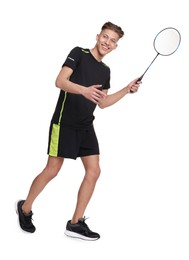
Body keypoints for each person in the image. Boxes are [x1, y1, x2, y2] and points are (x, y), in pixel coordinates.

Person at [16, 21, 141, 241]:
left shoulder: (105, 71)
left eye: (112, 41)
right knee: (52, 170)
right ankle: (25, 208)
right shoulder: (79, 54)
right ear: (97, 36)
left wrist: (126, 90)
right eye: (105, 37)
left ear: (116, 46)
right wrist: (82, 90)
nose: (107, 42)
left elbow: (102, 103)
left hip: (86, 126)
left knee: (94, 171)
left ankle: (75, 223)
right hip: (64, 122)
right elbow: (60, 81)